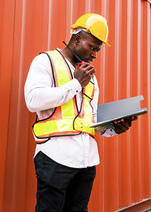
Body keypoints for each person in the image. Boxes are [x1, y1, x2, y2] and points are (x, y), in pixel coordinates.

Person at [24, 13, 136, 212]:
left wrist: (113, 128)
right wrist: (76, 84)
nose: (94, 54)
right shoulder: (45, 61)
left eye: (98, 50)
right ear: (77, 39)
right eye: (92, 47)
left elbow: (89, 119)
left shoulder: (90, 78)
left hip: (87, 161)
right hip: (55, 158)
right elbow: (33, 100)